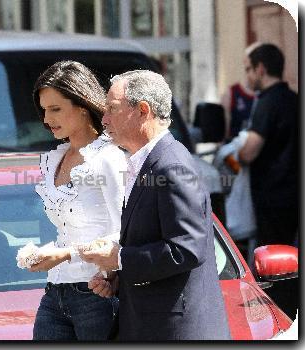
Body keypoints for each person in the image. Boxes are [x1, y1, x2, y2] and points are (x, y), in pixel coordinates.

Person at [79, 70, 231, 340]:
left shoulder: (171, 165)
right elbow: (155, 240)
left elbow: (187, 248)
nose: (104, 120)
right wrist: (119, 277)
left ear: (142, 110)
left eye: (112, 109)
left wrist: (120, 258)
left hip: (175, 332)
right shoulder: (148, 161)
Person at [28, 61, 127, 340]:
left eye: (55, 109)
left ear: (83, 106)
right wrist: (48, 253)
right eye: (44, 110)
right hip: (54, 293)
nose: (47, 119)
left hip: (98, 294)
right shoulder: (55, 159)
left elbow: (126, 231)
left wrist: (66, 254)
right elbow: (66, 231)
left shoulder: (108, 158)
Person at [238, 43, 298, 319]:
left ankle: (280, 317)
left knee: (274, 263)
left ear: (261, 69)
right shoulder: (294, 98)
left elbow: (250, 151)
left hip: (273, 197)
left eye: (249, 69)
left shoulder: (267, 102)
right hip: (294, 194)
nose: (248, 76)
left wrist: (235, 151)